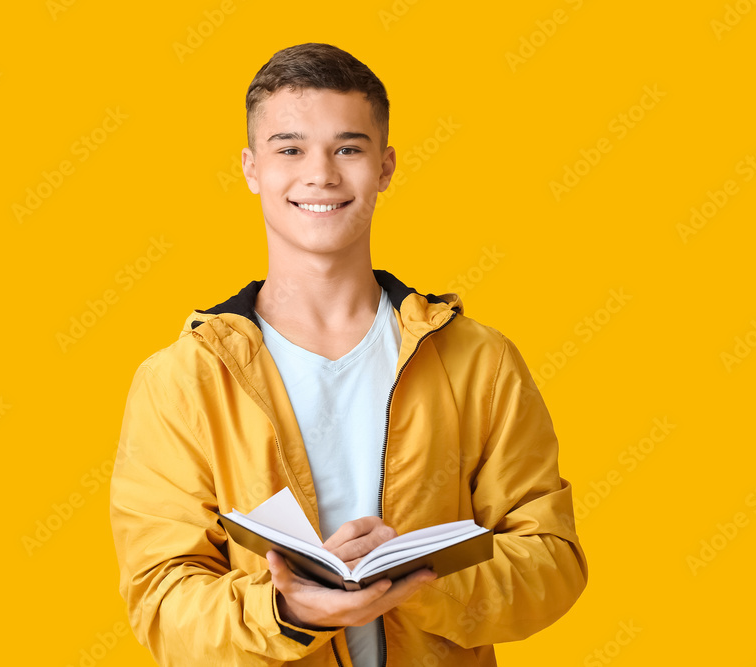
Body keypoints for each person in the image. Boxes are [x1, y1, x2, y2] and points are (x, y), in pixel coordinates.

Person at [109, 42, 587, 666]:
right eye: (290, 149)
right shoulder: (182, 380)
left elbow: (551, 559)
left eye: (348, 148)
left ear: (384, 167)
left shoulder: (479, 361)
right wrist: (291, 611)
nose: (321, 175)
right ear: (252, 169)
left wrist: (414, 581)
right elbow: (162, 600)